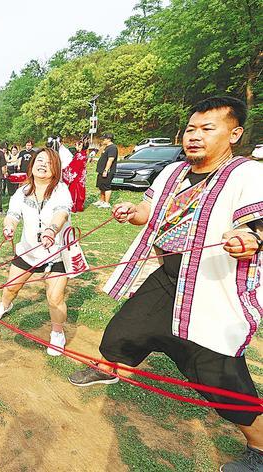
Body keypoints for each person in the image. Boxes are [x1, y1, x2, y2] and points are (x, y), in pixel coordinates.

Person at [66, 97, 263, 472]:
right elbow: (147, 211)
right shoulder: (172, 172)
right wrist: (132, 212)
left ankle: (260, 447)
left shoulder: (247, 174)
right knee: (124, 330)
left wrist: (250, 238)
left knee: (218, 374)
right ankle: (109, 368)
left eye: (207, 129)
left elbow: (257, 224)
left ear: (234, 134)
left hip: (211, 286)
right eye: (191, 129)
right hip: (168, 276)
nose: (195, 136)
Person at [0, 148, 86, 355]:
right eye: (39, 160)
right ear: (32, 165)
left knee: (54, 298)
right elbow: (12, 215)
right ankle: (5, 305)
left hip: (57, 254)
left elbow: (61, 213)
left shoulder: (61, 190)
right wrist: (9, 227)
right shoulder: (21, 192)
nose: (43, 165)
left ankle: (57, 333)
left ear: (56, 169)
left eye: (49, 163)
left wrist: (51, 230)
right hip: (28, 252)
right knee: (11, 288)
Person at [62, 139, 88, 212]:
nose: (75, 147)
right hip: (81, 175)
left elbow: (74, 166)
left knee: (74, 190)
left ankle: (74, 207)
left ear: (80, 147)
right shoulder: (84, 154)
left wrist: (63, 170)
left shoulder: (79, 155)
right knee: (80, 190)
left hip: (77, 175)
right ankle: (79, 206)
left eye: (76, 145)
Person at [94, 133, 117, 208]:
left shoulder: (113, 148)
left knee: (106, 187)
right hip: (101, 170)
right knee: (102, 186)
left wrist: (106, 170)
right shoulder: (107, 147)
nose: (102, 140)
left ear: (109, 139)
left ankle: (107, 203)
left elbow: (110, 160)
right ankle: (101, 201)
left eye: (104, 139)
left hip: (107, 171)